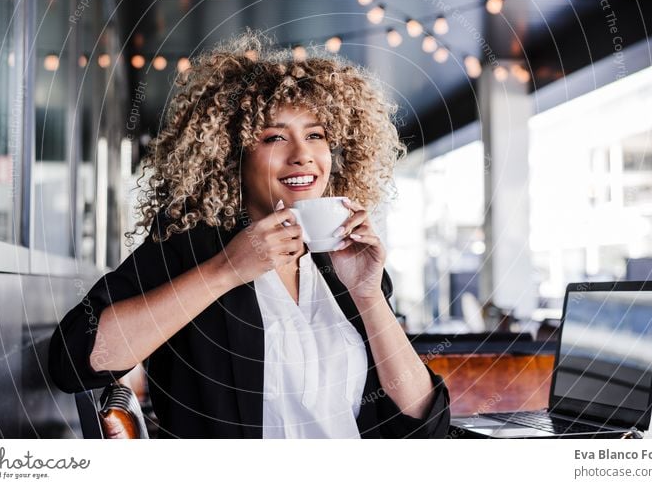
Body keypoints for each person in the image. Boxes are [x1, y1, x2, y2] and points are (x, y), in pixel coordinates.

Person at [48, 32, 451, 438]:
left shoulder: (346, 264)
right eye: (274, 137)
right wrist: (227, 269)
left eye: (316, 135)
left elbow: (422, 421)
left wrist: (368, 294)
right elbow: (76, 359)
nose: (302, 154)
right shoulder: (192, 244)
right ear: (232, 154)